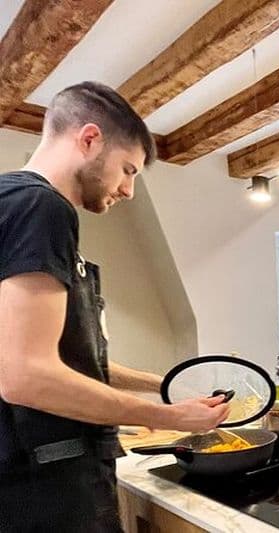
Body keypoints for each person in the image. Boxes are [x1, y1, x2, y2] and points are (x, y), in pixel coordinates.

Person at [0, 82, 231, 532]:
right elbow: (26, 376)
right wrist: (167, 417)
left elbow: (69, 359)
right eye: (128, 170)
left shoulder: (11, 200)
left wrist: (164, 385)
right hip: (42, 488)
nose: (128, 190)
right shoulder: (40, 207)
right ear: (90, 139)